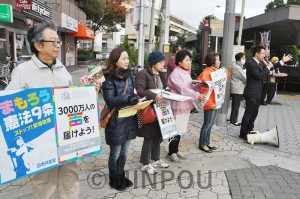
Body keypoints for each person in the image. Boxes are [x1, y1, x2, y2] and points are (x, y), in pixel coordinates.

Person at [6, 19, 79, 199]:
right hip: (40, 137)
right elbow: (8, 106)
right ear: (38, 45)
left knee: (70, 175)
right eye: (53, 41)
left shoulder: (63, 70)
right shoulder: (23, 71)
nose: (57, 46)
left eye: (58, 41)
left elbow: (71, 99)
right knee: (44, 180)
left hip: (65, 134)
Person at [101, 48, 139, 190]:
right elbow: (110, 100)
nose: (126, 61)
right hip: (116, 121)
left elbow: (133, 94)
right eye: (123, 58)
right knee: (115, 153)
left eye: (127, 58)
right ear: (115, 61)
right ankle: (113, 178)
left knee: (124, 152)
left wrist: (137, 99)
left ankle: (121, 174)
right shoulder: (108, 78)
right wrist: (128, 99)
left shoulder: (130, 76)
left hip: (129, 118)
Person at [135, 50, 169, 175]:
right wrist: (154, 96)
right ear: (154, 62)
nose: (163, 63)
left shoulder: (161, 74)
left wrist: (167, 93)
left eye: (163, 61)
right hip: (149, 110)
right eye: (161, 61)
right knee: (149, 137)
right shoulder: (143, 74)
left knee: (158, 135)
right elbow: (139, 90)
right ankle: (145, 163)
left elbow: (163, 89)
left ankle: (156, 159)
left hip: (161, 109)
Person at [167, 49, 205, 161]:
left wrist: (200, 86)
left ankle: (176, 149)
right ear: (179, 62)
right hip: (178, 106)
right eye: (187, 60)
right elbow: (183, 90)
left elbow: (190, 88)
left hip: (185, 106)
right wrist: (197, 95)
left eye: (190, 60)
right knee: (175, 130)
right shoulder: (175, 74)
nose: (189, 62)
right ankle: (171, 152)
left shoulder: (186, 73)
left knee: (180, 130)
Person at [197, 53, 225, 153]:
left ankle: (207, 142)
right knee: (207, 124)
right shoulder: (207, 72)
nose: (220, 61)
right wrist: (209, 103)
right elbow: (203, 90)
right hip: (210, 103)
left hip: (216, 102)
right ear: (213, 61)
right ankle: (203, 144)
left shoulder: (216, 71)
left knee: (210, 124)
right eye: (218, 60)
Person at [230, 52, 246, 126]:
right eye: (243, 58)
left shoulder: (237, 66)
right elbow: (245, 78)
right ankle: (234, 120)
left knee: (235, 105)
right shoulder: (238, 68)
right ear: (239, 59)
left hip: (237, 88)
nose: (244, 59)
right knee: (236, 106)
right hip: (237, 89)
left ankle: (232, 119)